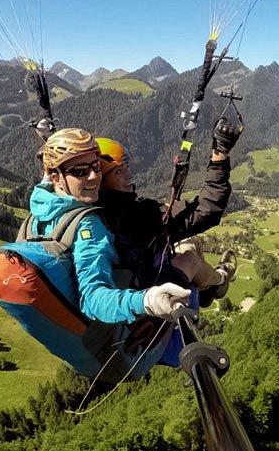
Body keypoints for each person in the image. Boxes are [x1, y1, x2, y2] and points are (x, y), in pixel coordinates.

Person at [30, 127, 191, 325]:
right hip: (118, 323)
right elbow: (92, 298)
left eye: (96, 166)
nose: (93, 176)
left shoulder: (41, 204)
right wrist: (146, 300)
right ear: (56, 178)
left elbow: (50, 177)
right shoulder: (89, 226)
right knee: (190, 253)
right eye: (80, 171)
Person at [96, 118, 241, 305]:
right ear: (100, 182)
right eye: (117, 172)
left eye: (126, 166)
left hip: (124, 291)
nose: (129, 175)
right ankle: (219, 281)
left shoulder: (86, 212)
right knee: (189, 255)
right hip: (148, 294)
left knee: (190, 242)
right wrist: (220, 154)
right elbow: (206, 210)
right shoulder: (139, 217)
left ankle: (209, 286)